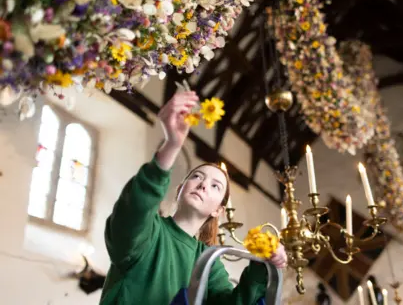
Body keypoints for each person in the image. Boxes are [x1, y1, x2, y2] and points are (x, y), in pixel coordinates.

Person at [100, 91, 287, 305]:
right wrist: (172, 146)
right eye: (197, 176)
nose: (203, 184)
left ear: (218, 210)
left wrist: (264, 265)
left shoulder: (208, 261)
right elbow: (133, 211)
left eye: (215, 186)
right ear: (180, 189)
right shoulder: (149, 232)